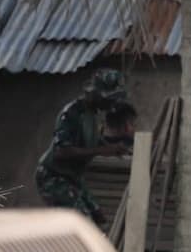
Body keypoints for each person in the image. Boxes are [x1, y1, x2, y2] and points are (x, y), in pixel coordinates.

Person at [35, 68, 130, 225]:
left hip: (73, 178)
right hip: (53, 177)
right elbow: (61, 151)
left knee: (99, 218)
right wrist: (103, 151)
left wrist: (114, 147)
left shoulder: (92, 115)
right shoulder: (72, 113)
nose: (111, 104)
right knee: (82, 223)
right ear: (96, 94)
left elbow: (90, 140)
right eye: (108, 99)